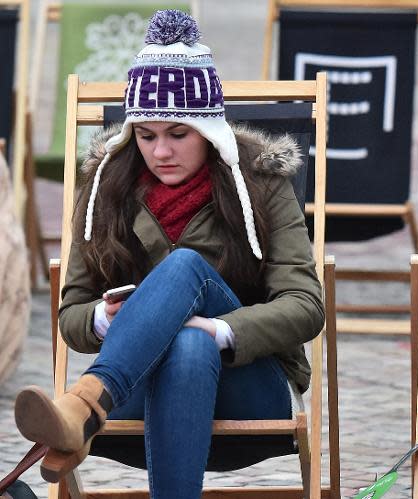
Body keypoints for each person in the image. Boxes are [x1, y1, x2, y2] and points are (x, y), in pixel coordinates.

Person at [13, 10, 324, 498]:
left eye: (178, 133)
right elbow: (71, 314)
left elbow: (306, 306)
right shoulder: (105, 189)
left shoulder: (261, 183)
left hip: (250, 390)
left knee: (186, 275)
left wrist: (222, 330)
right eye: (146, 134)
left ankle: (82, 406)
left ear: (209, 130)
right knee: (185, 344)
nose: (160, 152)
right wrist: (105, 320)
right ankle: (93, 404)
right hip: (136, 391)